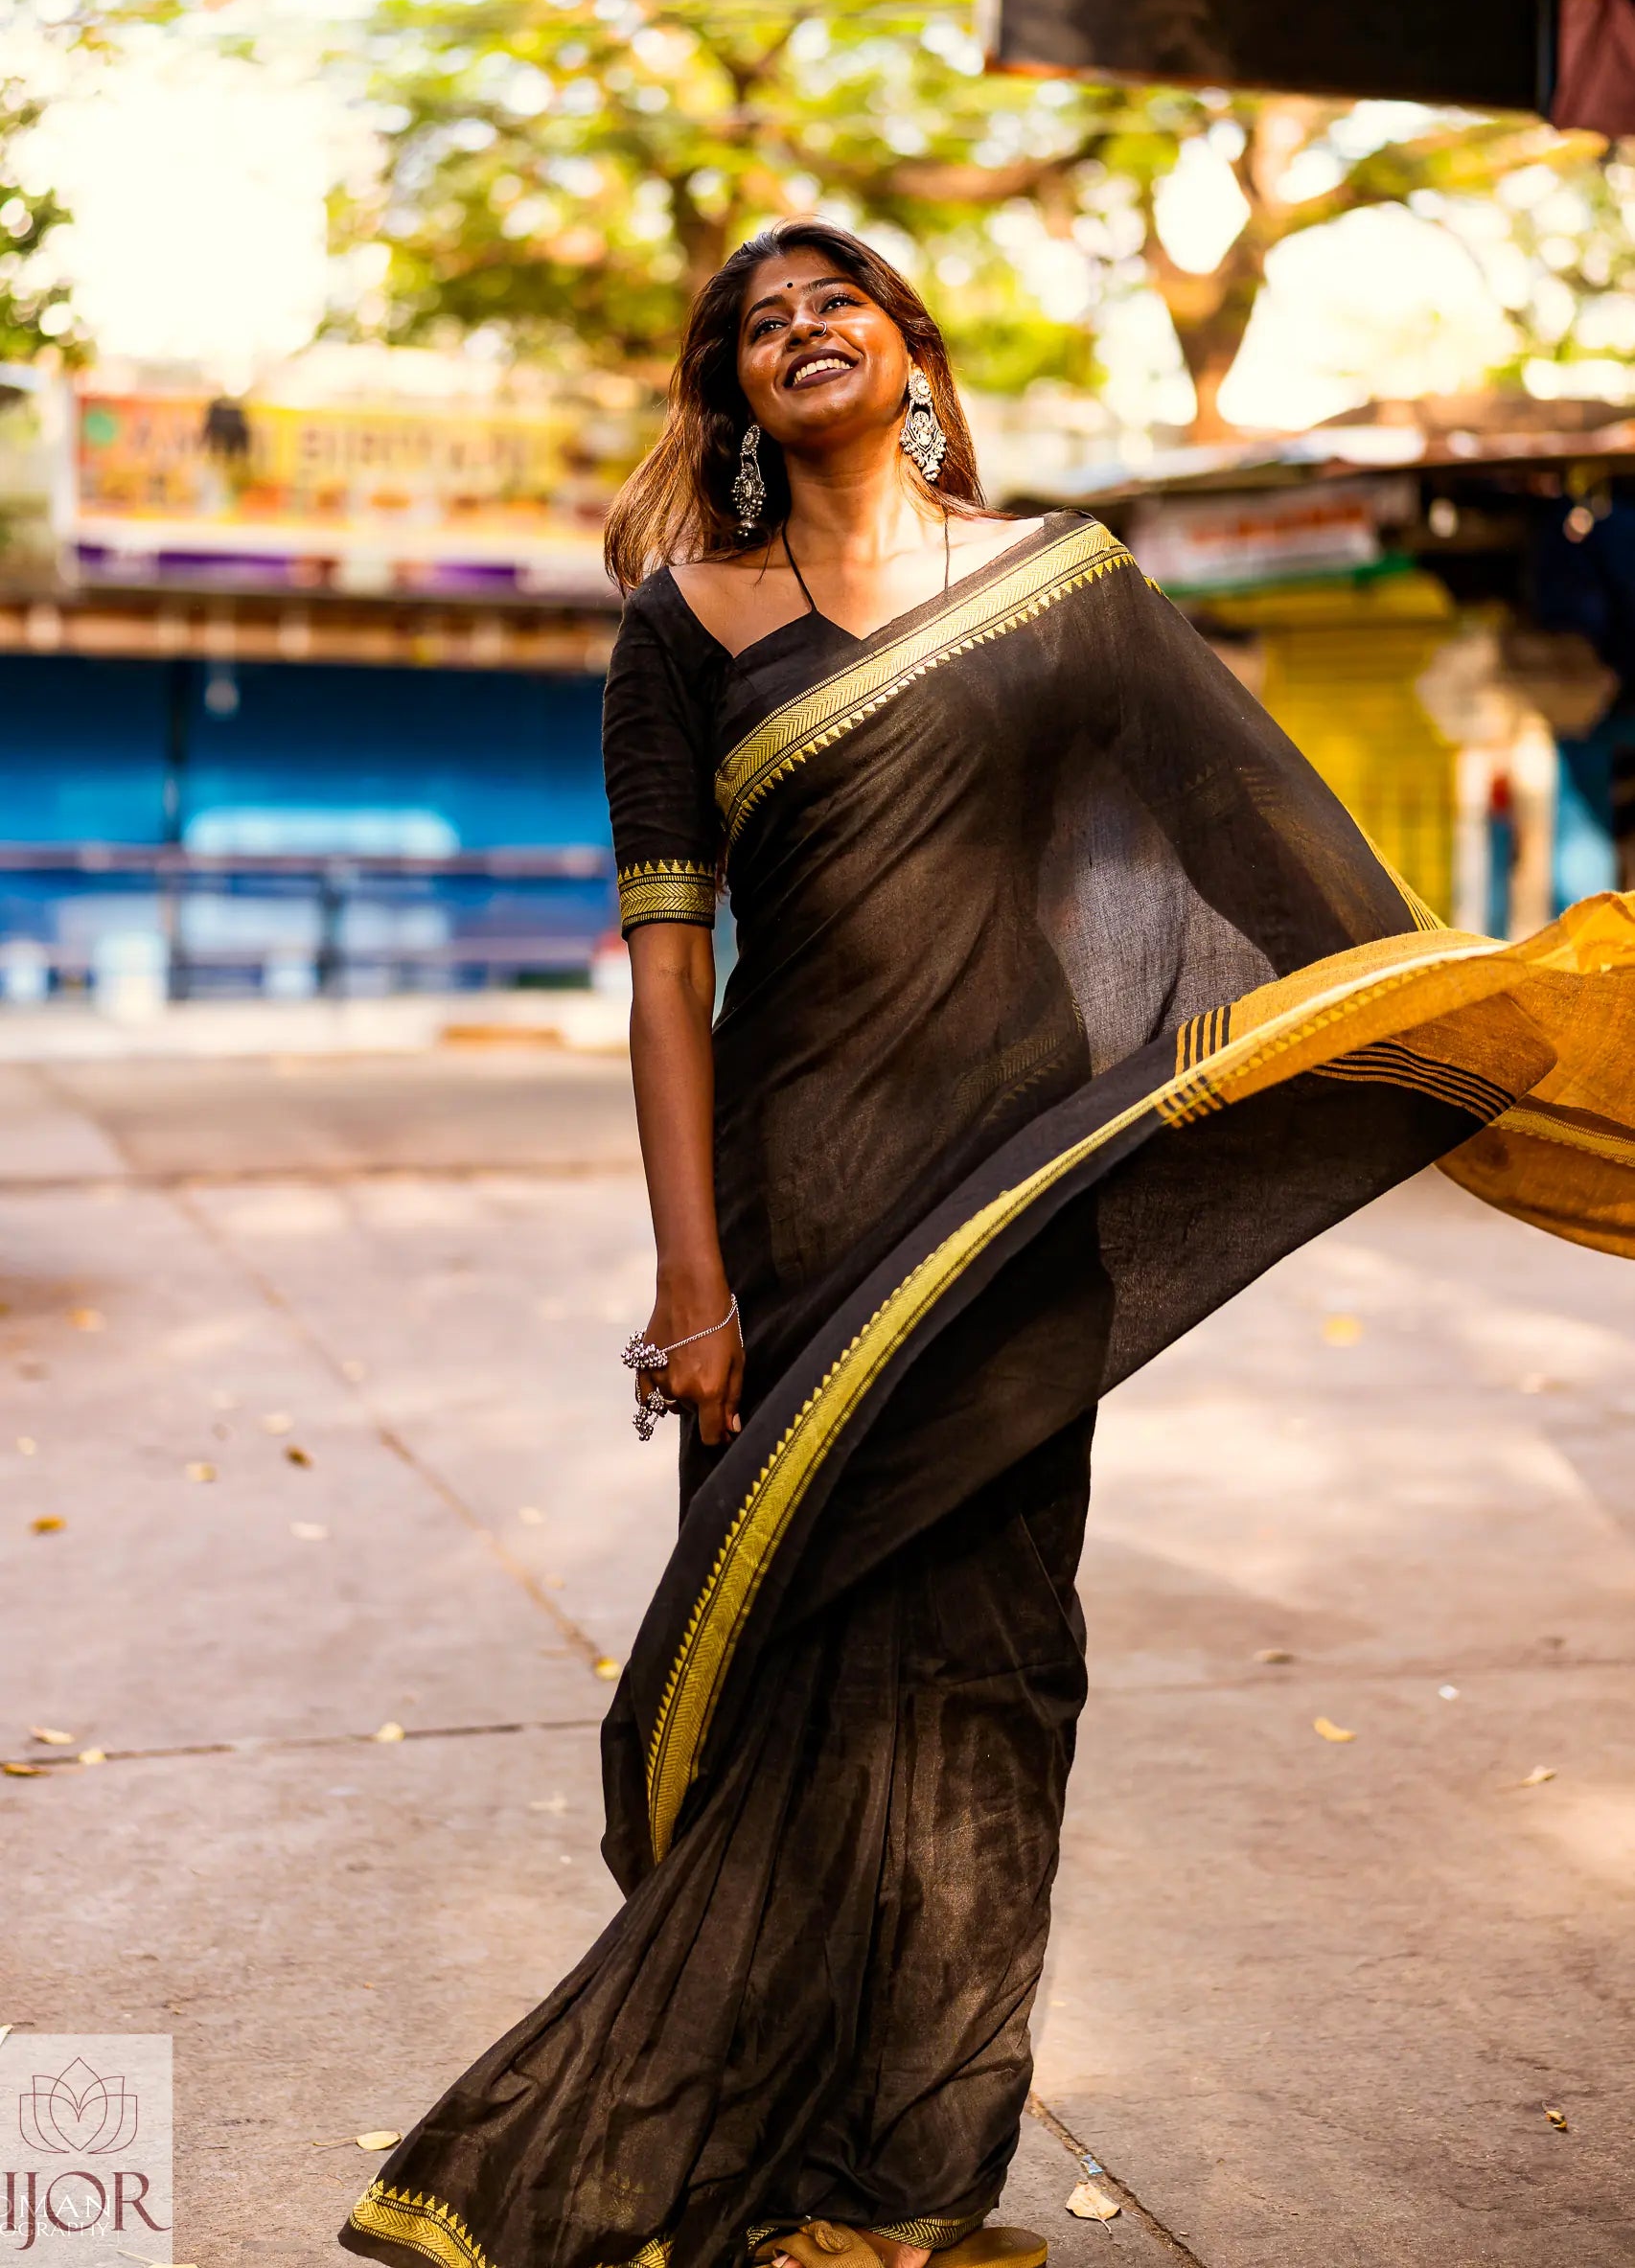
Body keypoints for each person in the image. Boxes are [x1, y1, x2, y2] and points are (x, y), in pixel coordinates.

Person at [342, 220, 1635, 2268]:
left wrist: (1472, 1025)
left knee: (997, 1674)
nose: (799, 330)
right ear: (733, 402)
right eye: (758, 326)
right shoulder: (680, 625)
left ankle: (917, 2186)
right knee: (796, 1674)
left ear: (912, 347)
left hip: (1019, 1200)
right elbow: (666, 970)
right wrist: (691, 1281)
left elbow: (1267, 851)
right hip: (799, 1203)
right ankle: (660, 2156)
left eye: (834, 298)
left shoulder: (1066, 586)